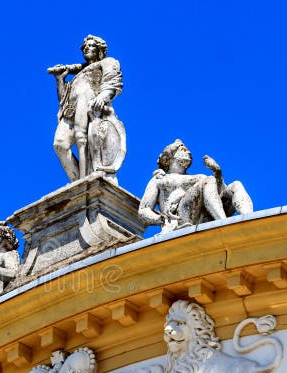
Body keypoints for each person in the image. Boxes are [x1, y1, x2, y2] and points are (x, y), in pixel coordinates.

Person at [49, 35, 124, 182]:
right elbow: (63, 99)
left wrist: (103, 96)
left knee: (81, 140)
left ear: (99, 50)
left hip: (90, 103)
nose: (86, 48)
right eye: (85, 47)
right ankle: (77, 182)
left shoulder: (107, 62)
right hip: (70, 111)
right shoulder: (77, 73)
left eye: (90, 46)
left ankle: (85, 182)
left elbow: (113, 81)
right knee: (59, 144)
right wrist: (59, 79)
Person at [138, 139, 253, 233]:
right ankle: (223, 223)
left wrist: (218, 172)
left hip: (205, 215)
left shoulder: (199, 177)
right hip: (181, 217)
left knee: (236, 185)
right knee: (208, 181)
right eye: (182, 149)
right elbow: (143, 210)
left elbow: (219, 195)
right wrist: (160, 219)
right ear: (167, 159)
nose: (188, 152)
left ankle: (250, 221)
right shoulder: (160, 179)